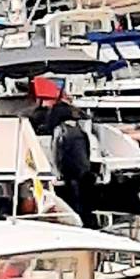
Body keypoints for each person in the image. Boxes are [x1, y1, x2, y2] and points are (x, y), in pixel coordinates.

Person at [47, 93, 98, 227]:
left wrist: (56, 171)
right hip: (82, 168)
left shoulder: (61, 130)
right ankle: (86, 219)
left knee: (75, 196)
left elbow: (56, 151)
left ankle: (78, 217)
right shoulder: (81, 131)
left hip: (70, 169)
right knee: (84, 197)